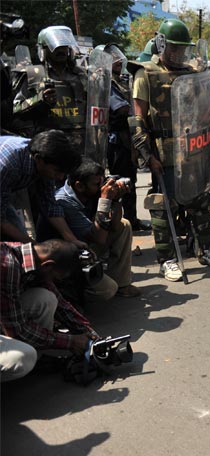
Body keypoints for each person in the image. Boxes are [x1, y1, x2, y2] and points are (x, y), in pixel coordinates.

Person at [128, 19, 210, 281]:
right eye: (174, 48)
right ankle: (167, 259)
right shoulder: (144, 73)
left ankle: (204, 249)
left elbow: (206, 111)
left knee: (200, 200)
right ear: (161, 44)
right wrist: (148, 156)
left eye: (183, 49)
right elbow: (138, 119)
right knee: (164, 205)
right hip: (164, 150)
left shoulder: (192, 72)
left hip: (193, 147)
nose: (179, 54)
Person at [1, 240, 99, 382]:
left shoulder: (30, 257)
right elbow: (18, 331)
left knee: (46, 298)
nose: (55, 282)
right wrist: (70, 342)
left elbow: (61, 304)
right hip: (12, 325)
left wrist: (89, 333)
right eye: (56, 278)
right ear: (48, 266)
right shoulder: (7, 265)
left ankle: (37, 359)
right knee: (22, 358)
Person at [53, 158, 141, 299]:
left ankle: (122, 283)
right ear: (80, 186)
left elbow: (115, 225)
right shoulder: (63, 201)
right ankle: (72, 294)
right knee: (107, 290)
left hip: (88, 243)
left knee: (124, 225)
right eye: (96, 184)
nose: (102, 187)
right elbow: (99, 238)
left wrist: (115, 200)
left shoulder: (90, 192)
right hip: (70, 257)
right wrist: (105, 200)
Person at [0, 131, 84, 248]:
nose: (60, 177)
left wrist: (72, 240)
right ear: (38, 159)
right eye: (57, 171)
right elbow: (1, 221)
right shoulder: (8, 165)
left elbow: (49, 204)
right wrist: (38, 248)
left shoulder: (46, 160)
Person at [99, 43, 150, 232]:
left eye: (117, 55)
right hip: (116, 140)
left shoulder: (122, 80)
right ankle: (120, 223)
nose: (118, 60)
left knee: (130, 181)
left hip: (126, 138)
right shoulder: (106, 81)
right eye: (112, 57)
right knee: (119, 182)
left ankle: (132, 220)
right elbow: (120, 108)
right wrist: (141, 110)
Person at [11, 26, 87, 151]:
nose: (61, 50)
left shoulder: (81, 75)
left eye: (64, 46)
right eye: (55, 47)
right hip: (48, 144)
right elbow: (17, 109)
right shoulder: (34, 74)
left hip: (80, 144)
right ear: (43, 50)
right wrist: (41, 100)